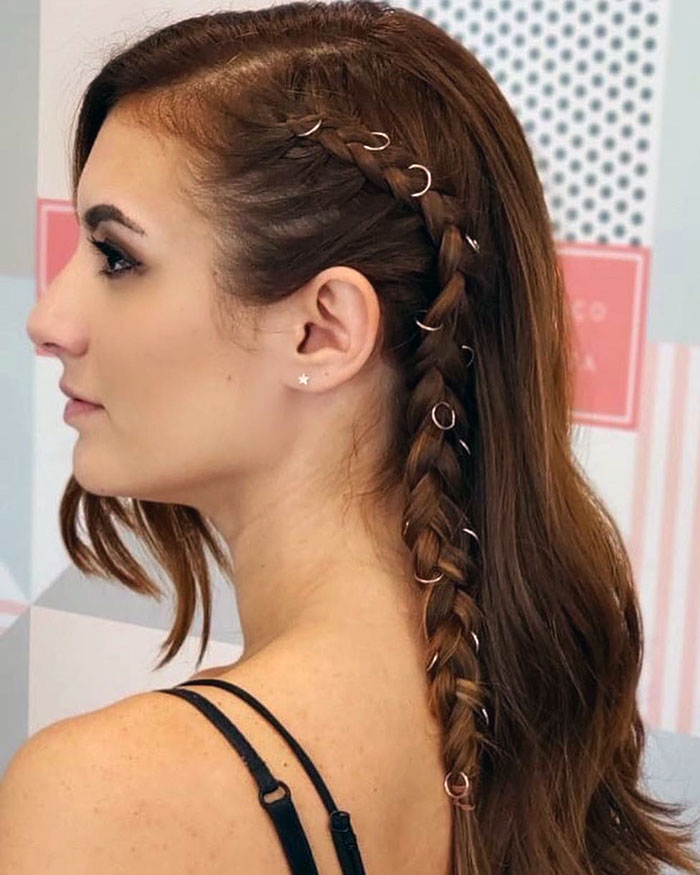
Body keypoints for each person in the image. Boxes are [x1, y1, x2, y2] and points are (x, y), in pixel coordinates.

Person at [7, 1, 699, 872]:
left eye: (116, 257)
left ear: (323, 330)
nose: (47, 318)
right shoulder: (518, 722)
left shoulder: (105, 796)